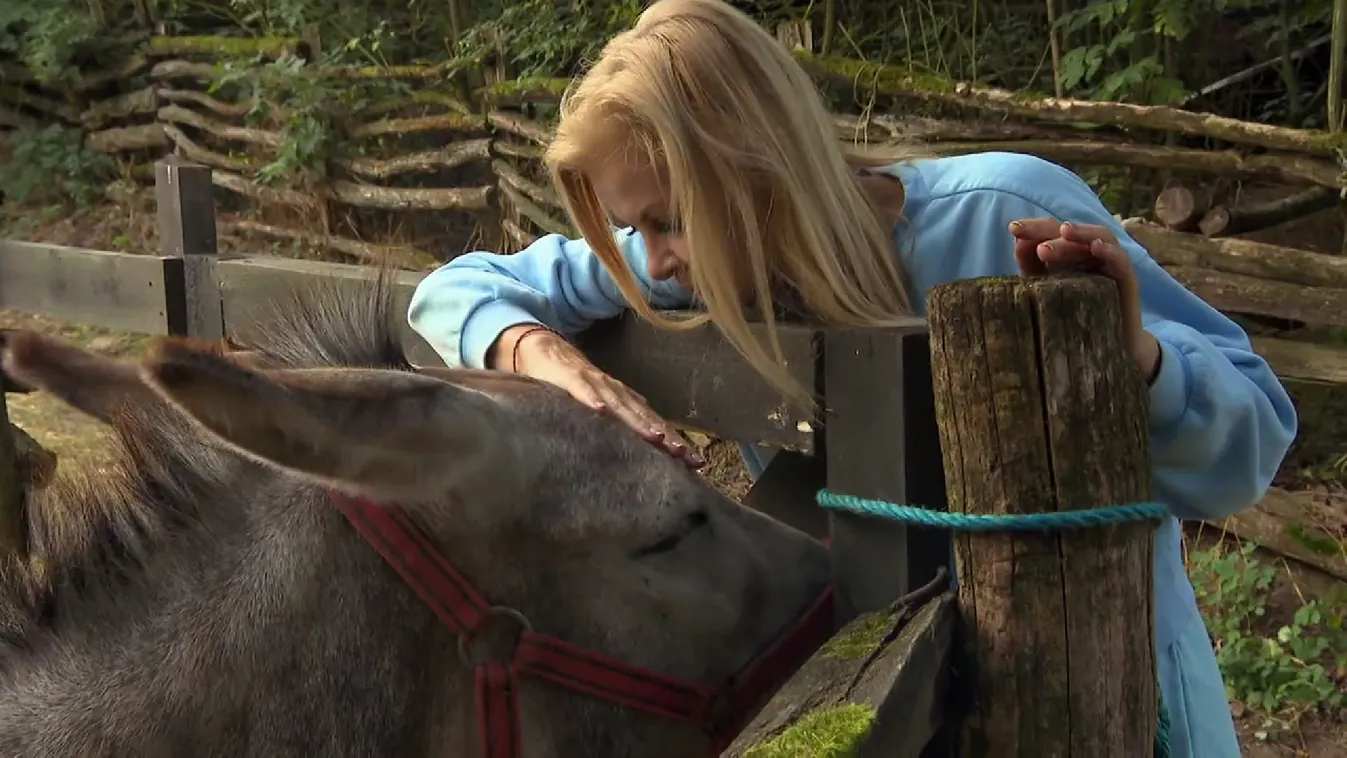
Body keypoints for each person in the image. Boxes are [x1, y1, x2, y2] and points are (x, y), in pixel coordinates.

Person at [407, 0, 1297, 754]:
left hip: (1118, 701)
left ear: (755, 167)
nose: (654, 262)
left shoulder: (1005, 214)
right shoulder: (680, 260)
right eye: (632, 230)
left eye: (667, 220)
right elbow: (454, 289)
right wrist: (535, 351)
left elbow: (1248, 448)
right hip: (889, 693)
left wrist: (1130, 359)